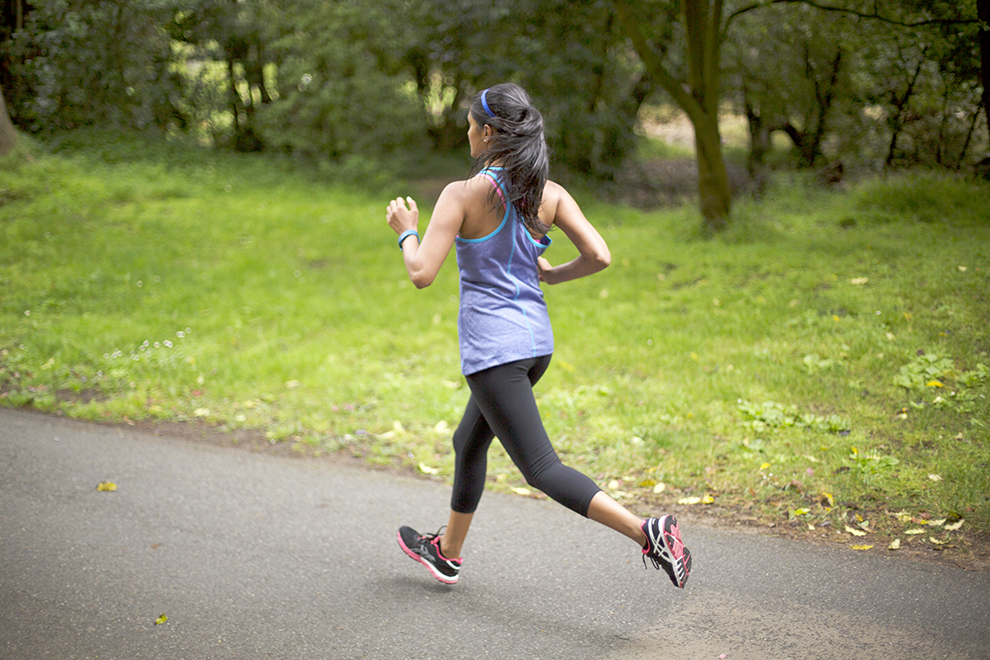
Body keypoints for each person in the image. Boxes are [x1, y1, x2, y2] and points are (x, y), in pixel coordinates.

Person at [385, 83, 691, 589]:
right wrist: (551, 276)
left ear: (487, 133)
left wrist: (405, 229)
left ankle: (648, 532)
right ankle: (448, 553)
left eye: (468, 126)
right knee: (469, 442)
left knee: (542, 468)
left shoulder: (461, 195)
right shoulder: (547, 194)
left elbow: (421, 272)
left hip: (494, 354)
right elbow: (599, 255)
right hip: (534, 348)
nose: (466, 134)